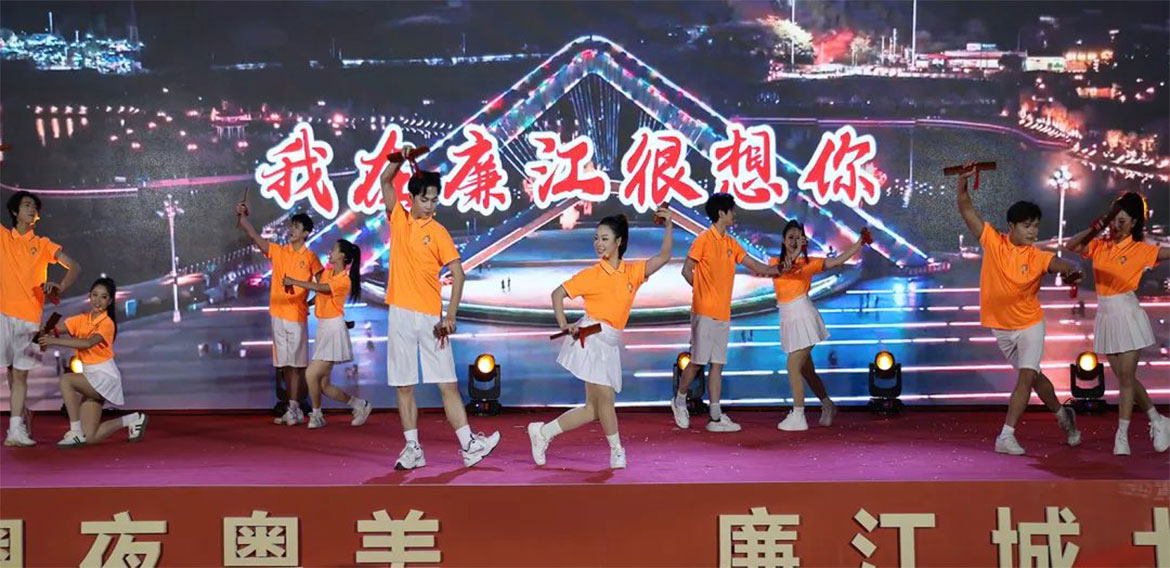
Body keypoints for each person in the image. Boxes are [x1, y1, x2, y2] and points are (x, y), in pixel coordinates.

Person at [377, 145, 499, 470]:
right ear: (412, 198)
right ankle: (413, 449)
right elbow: (385, 181)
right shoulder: (398, 219)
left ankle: (469, 445)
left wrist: (450, 316)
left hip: (431, 318)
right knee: (404, 385)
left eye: (434, 200)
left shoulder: (439, 232)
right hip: (400, 314)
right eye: (425, 199)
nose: (430, 206)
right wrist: (399, 158)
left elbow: (458, 274)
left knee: (447, 384)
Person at [954, 163, 1083, 455]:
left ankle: (1006, 436)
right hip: (1002, 328)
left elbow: (1061, 264)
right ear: (1011, 227)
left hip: (1030, 325)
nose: (1033, 231)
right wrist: (962, 182)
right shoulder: (993, 241)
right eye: (1027, 226)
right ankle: (1064, 416)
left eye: (1036, 226)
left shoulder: (1037, 256)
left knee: (1025, 377)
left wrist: (1073, 269)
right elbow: (966, 208)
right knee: (1035, 378)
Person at [529, 206, 673, 469]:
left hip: (610, 343)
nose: (598, 243)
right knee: (605, 399)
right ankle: (617, 450)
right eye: (596, 238)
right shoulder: (591, 275)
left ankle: (542, 433)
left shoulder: (633, 272)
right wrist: (564, 325)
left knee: (592, 410)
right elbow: (557, 294)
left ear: (619, 241)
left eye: (604, 238)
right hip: (591, 339)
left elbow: (664, 256)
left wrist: (669, 225)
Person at [1062, 191, 1170, 454]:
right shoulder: (1100, 245)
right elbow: (1071, 246)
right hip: (1106, 315)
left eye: (1122, 221)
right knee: (1125, 377)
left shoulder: (1141, 250)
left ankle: (1122, 436)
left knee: (1126, 380)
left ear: (1134, 223)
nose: (1116, 225)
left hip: (1128, 313)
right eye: (1114, 220)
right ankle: (1158, 420)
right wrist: (1095, 228)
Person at [670, 193, 779, 433]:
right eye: (732, 210)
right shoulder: (703, 239)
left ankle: (715, 416)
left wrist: (777, 270)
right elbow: (687, 270)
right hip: (704, 312)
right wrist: (701, 291)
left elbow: (753, 264)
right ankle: (679, 400)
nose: (735, 214)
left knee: (717, 365)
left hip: (723, 312)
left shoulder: (731, 243)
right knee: (697, 362)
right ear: (721, 213)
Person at [772, 221, 871, 431]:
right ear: (783, 240)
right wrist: (798, 251)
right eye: (790, 237)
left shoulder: (809, 264)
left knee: (793, 366)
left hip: (804, 316)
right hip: (788, 318)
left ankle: (798, 415)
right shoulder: (775, 262)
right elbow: (785, 268)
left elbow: (838, 260)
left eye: (798, 237)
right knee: (807, 371)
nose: (794, 241)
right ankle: (828, 405)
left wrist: (858, 243)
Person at [2, 190, 81, 446]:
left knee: (20, 375)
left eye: (34, 207)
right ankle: (20, 420)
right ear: (15, 212)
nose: (31, 209)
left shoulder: (44, 244)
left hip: (29, 318)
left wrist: (60, 286)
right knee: (12, 372)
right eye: (26, 205)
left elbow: (74, 266)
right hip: (2, 315)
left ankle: (15, 430)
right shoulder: (3, 237)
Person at [235, 206, 323, 426]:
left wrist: (310, 301)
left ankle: (294, 408)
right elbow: (254, 237)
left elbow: (324, 285)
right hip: (277, 314)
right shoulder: (279, 251)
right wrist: (243, 219)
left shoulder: (310, 257)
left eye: (297, 227)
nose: (292, 230)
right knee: (284, 365)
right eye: (291, 226)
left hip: (296, 317)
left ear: (306, 233)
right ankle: (293, 408)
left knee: (297, 365)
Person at [40, 278, 148, 447]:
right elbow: (56, 329)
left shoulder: (107, 323)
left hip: (104, 376)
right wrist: (44, 329)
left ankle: (75, 432)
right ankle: (133, 419)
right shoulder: (81, 319)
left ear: (110, 301)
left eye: (103, 297)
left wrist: (53, 341)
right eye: (95, 295)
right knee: (90, 437)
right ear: (89, 296)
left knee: (66, 380)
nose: (98, 300)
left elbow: (87, 343)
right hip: (90, 375)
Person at [283, 239, 373, 429]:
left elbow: (322, 288)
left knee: (311, 374)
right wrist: (308, 304)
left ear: (342, 256)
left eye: (333, 250)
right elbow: (320, 294)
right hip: (324, 327)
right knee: (324, 386)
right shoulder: (328, 273)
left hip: (333, 329)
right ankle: (360, 405)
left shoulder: (344, 280)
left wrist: (294, 282)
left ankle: (317, 415)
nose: (330, 252)